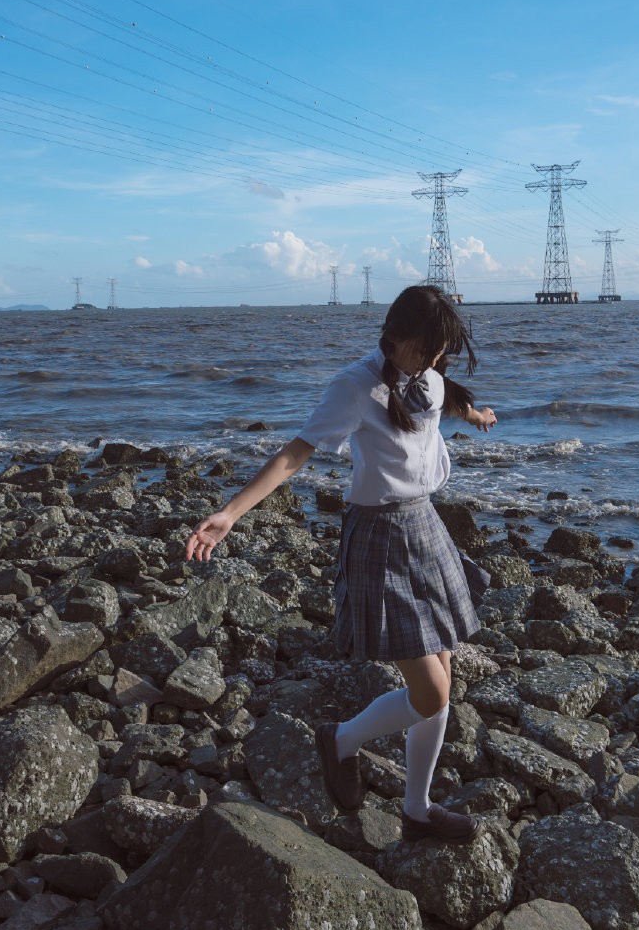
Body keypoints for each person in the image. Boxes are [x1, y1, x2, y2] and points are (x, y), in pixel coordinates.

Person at [185, 284, 498, 842]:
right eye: (425, 348)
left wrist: (473, 412)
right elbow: (295, 453)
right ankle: (341, 739)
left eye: (439, 351)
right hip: (380, 539)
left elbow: (441, 393)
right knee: (431, 692)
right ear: (394, 336)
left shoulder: (427, 371)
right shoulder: (354, 387)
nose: (432, 360)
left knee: (444, 676)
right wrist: (230, 513)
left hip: (426, 526)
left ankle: (417, 810)